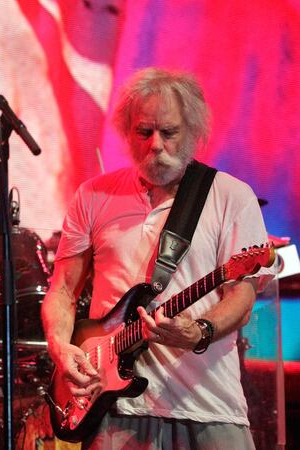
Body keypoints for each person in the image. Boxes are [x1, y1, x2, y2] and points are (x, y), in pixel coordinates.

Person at [41, 67, 275, 449]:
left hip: (207, 405)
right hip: (113, 408)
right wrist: (61, 347)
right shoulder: (93, 195)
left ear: (193, 132)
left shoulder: (231, 196)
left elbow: (241, 298)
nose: (155, 144)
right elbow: (63, 290)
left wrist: (200, 331)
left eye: (169, 133)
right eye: (144, 132)